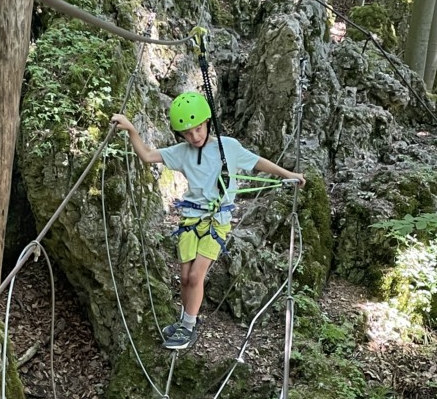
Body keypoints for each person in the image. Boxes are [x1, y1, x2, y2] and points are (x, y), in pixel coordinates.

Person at [111, 93, 304, 349]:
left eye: (198, 129)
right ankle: (185, 319)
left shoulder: (228, 147)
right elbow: (147, 155)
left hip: (217, 222)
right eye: (187, 133)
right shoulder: (182, 153)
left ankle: (188, 327)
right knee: (184, 277)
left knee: (195, 276)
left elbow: (257, 162)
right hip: (190, 220)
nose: (194, 136)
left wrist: (287, 174)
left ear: (207, 123)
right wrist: (131, 130)